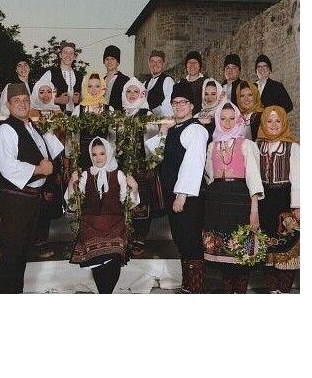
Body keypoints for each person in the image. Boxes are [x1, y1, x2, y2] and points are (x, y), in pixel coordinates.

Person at [0, 83, 65, 293]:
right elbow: (7, 166)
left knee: (22, 254)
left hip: (31, 200)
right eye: (17, 101)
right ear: (8, 105)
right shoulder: (5, 130)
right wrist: (39, 169)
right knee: (12, 255)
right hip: (15, 201)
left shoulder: (33, 127)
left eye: (25, 100)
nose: (22, 104)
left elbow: (51, 150)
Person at [145, 82, 208, 293]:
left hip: (188, 197)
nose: (179, 106)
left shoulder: (196, 130)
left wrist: (181, 195)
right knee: (181, 241)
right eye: (175, 102)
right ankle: (187, 287)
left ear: (192, 106)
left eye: (183, 102)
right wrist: (163, 130)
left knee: (191, 242)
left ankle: (195, 289)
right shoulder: (173, 129)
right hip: (173, 195)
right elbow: (156, 156)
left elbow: (193, 164)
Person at [201, 101, 264, 293]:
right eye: (223, 119)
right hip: (217, 200)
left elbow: (253, 178)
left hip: (239, 199)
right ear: (217, 121)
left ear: (238, 120)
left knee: (241, 251)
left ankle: (240, 292)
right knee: (222, 253)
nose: (227, 123)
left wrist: (254, 211)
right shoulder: (212, 146)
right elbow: (210, 176)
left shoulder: (247, 145)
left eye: (231, 118)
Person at [65, 138, 140, 293]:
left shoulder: (118, 174)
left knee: (113, 260)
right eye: (94, 155)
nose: (98, 158)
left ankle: (106, 293)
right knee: (97, 262)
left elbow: (128, 203)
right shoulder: (86, 175)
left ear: (108, 153)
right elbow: (73, 204)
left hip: (114, 224)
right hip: (91, 225)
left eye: (102, 153)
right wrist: (72, 183)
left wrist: (134, 188)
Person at [256, 106, 300, 293]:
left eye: (277, 121)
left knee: (287, 244)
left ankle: (284, 289)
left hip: (284, 199)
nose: (273, 125)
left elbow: (298, 177)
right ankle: (272, 289)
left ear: (284, 123)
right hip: (263, 200)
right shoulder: (257, 145)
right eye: (269, 121)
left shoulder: (292, 147)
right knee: (267, 244)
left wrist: (297, 205)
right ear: (263, 123)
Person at [119, 77, 158, 257]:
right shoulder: (120, 115)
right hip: (122, 165)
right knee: (125, 199)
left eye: (136, 91)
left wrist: (151, 165)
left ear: (142, 94)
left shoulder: (147, 114)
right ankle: (127, 235)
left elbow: (153, 144)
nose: (132, 95)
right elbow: (113, 141)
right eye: (129, 91)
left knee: (141, 201)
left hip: (142, 165)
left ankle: (140, 237)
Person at [29, 80, 66, 260]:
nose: (45, 95)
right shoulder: (30, 112)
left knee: (49, 201)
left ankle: (42, 240)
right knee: (36, 201)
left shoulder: (58, 112)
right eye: (41, 91)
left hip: (54, 162)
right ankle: (33, 241)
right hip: (36, 162)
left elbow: (64, 137)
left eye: (48, 92)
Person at [71, 71, 113, 171]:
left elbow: (112, 138)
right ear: (85, 88)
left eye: (97, 86)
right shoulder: (78, 110)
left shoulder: (109, 109)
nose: (93, 90)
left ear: (102, 88)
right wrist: (73, 159)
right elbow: (73, 136)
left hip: (103, 157)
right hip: (83, 155)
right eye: (90, 86)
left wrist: (112, 155)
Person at [36, 41, 83, 115]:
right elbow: (37, 96)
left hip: (76, 117)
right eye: (65, 52)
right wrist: (57, 100)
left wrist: (79, 99)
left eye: (71, 53)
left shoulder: (80, 76)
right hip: (55, 117)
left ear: (74, 57)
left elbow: (86, 97)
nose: (68, 55)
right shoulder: (50, 74)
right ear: (60, 55)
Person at [143, 49, 173, 117]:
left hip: (161, 120)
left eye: (159, 61)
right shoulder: (145, 83)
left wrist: (152, 115)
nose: (155, 64)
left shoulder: (167, 80)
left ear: (163, 64)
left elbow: (169, 103)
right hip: (146, 120)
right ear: (149, 64)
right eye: (152, 61)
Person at [103, 44, 130, 111]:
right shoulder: (101, 81)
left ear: (118, 62)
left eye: (112, 59)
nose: (109, 62)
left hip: (118, 116)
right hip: (102, 116)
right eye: (107, 59)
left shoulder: (125, 80)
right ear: (104, 62)